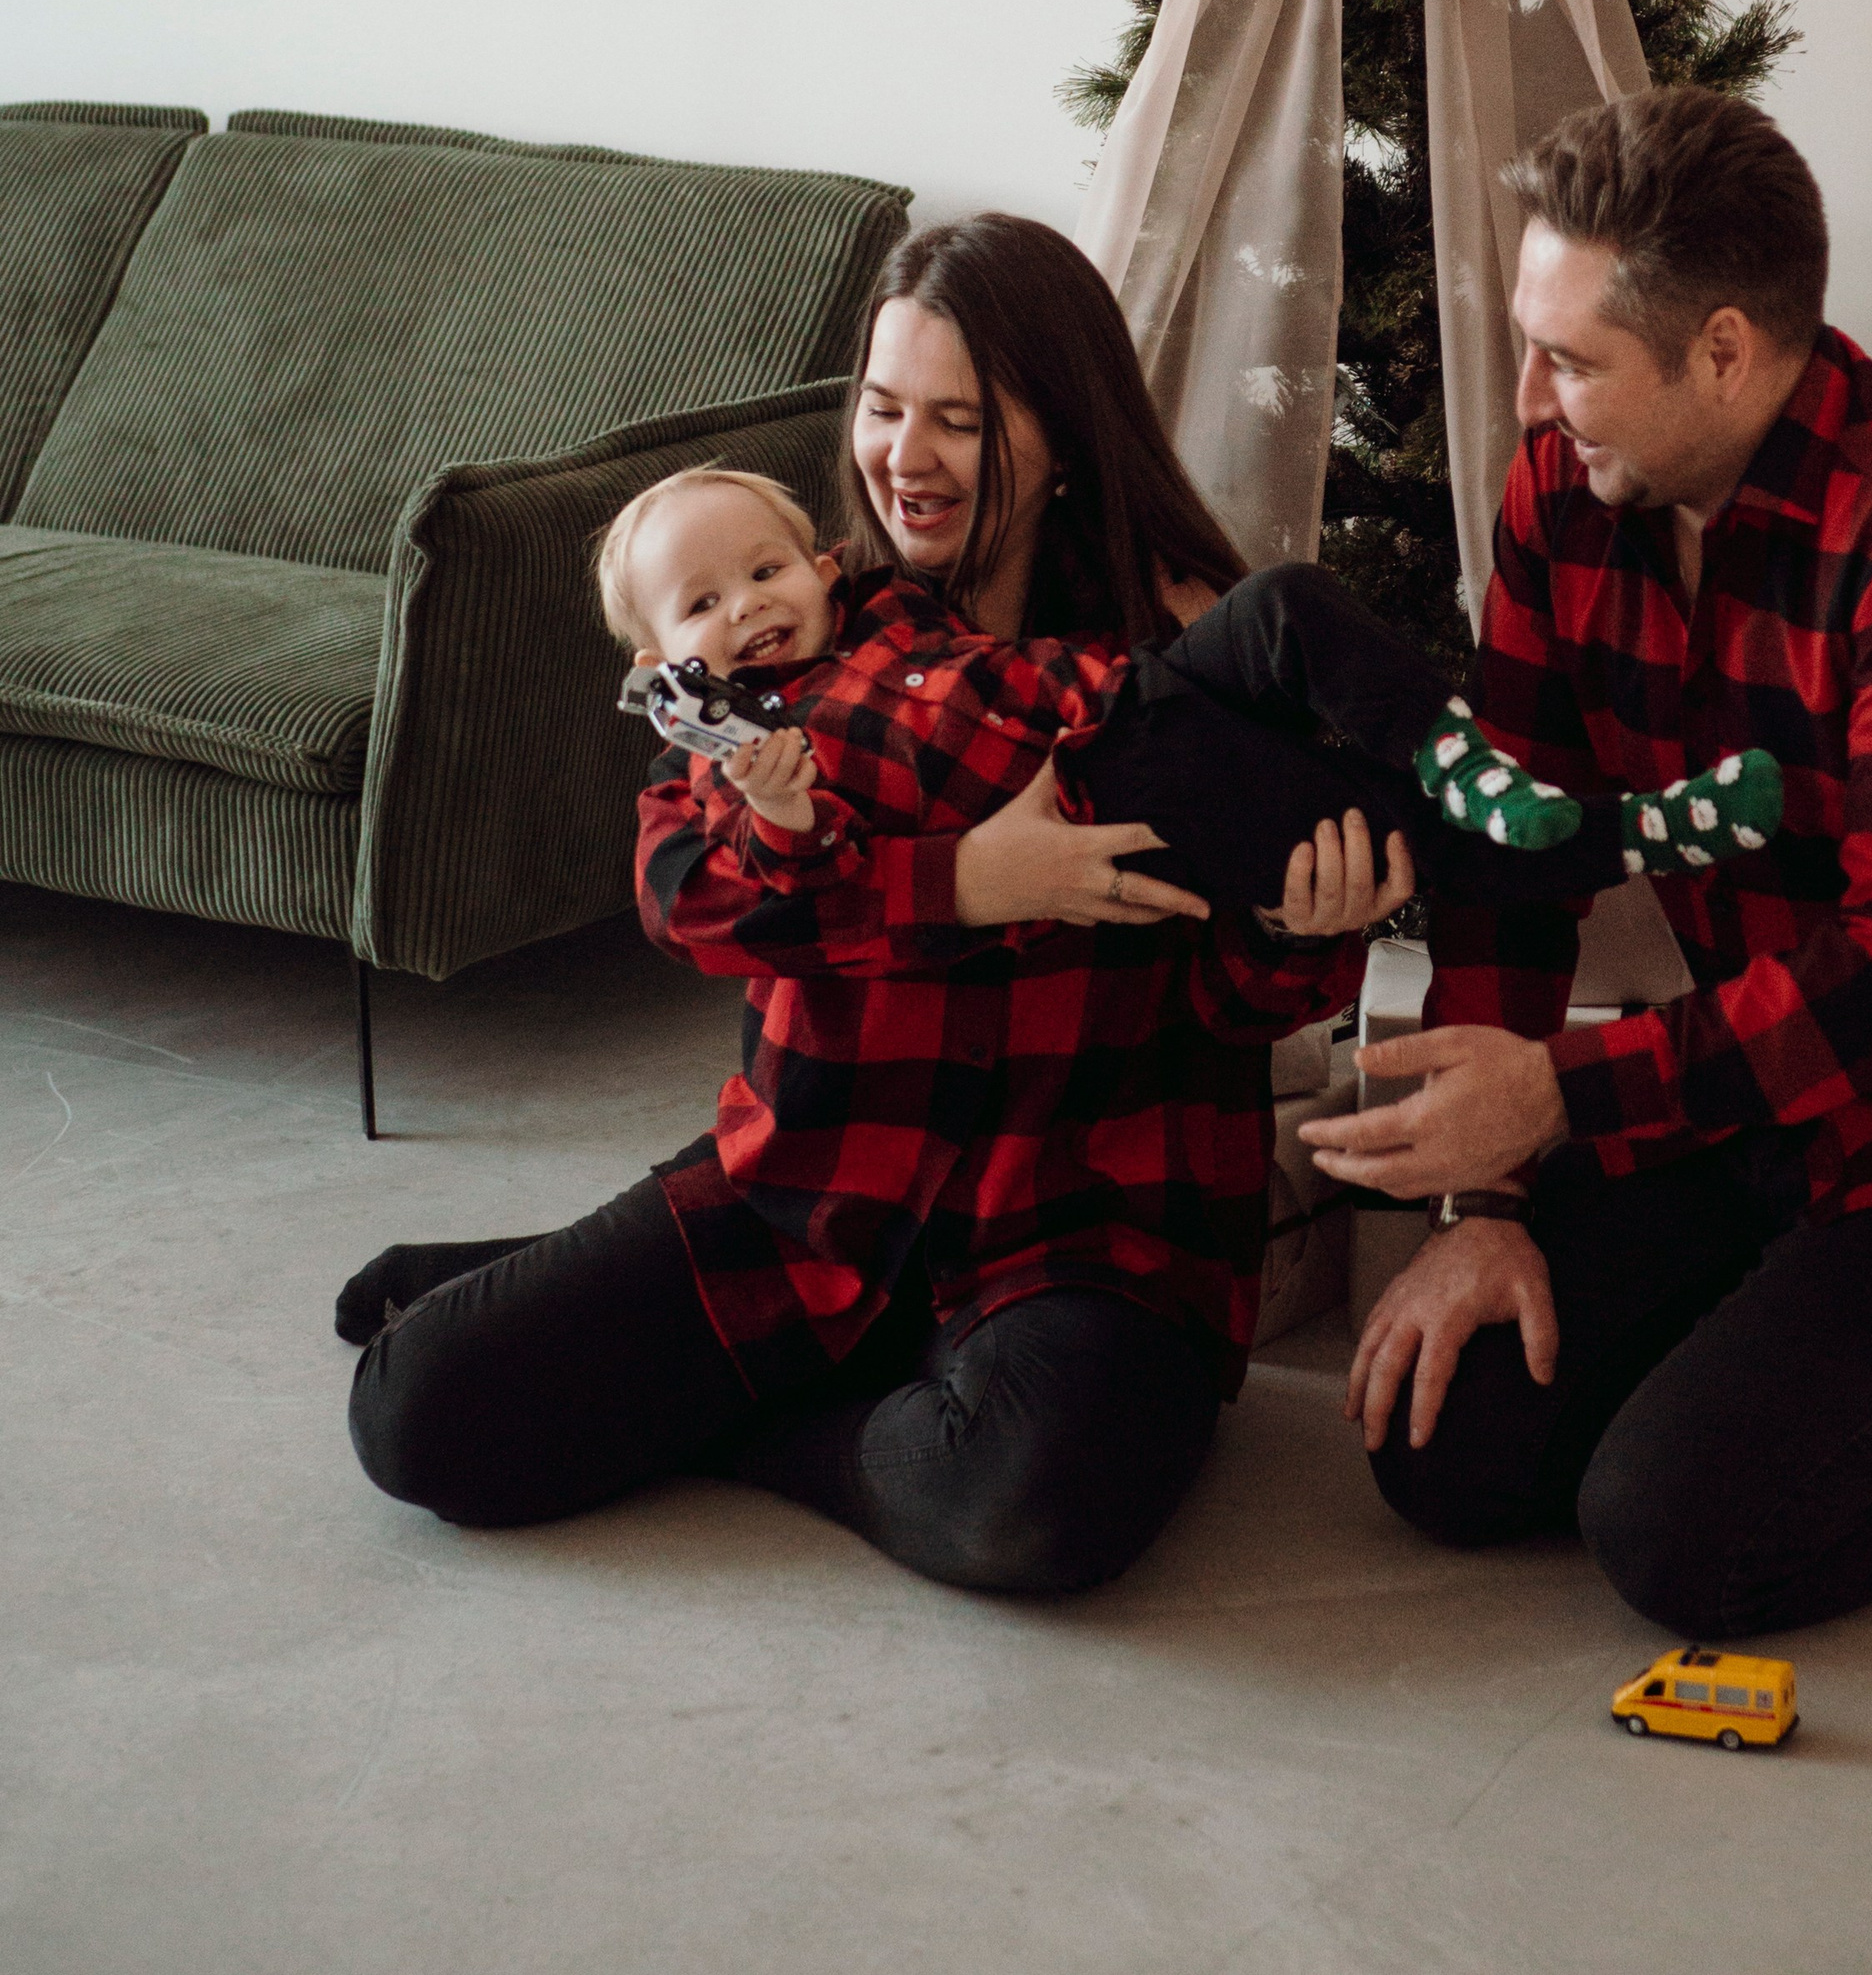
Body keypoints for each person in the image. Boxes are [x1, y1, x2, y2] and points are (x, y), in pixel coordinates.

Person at [339, 215, 1410, 1595]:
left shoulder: (1170, 665)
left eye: (958, 420)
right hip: (826, 1188)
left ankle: (782, 1426)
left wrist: (1295, 934)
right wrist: (967, 882)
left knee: (1028, 1510)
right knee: (417, 1414)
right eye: (885, 407)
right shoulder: (793, 616)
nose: (904, 456)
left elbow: (1231, 1003)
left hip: (1085, 1224)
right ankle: (739, 1346)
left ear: (1066, 429)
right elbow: (692, 894)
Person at [1305, 87, 1872, 1637]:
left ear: (1723, 349)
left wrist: (1566, 1096)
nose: (1527, 397)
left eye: (1572, 360)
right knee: (1446, 1456)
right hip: (1764, 1102)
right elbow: (1519, 846)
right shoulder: (1569, 499)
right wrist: (1489, 1203)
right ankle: (1810, 1338)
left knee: (1683, 1540)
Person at [594, 469, 1785, 916]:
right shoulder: (741, 755)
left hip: (1125, 693)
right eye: (700, 604)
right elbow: (801, 889)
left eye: (762, 570)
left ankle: (1458, 751)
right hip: (1107, 795)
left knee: (1284, 603)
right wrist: (782, 807)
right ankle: (1631, 833)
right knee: (1368, 831)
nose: (745, 606)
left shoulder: (890, 607)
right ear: (660, 664)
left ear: (823, 566)